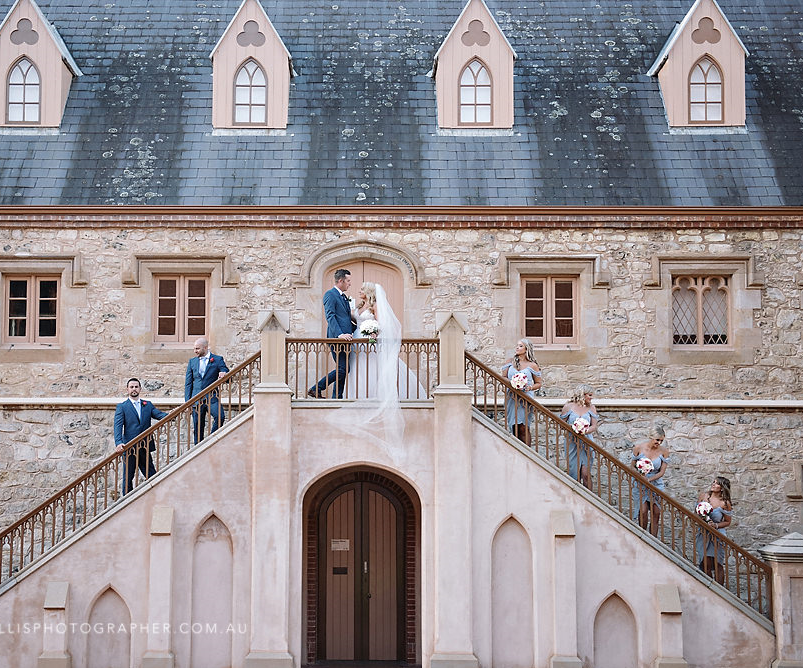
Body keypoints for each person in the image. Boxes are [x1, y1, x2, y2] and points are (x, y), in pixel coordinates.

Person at [347, 282, 425, 399]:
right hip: (357, 339)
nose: (359, 291)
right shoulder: (360, 306)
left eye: (362, 289)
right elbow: (355, 320)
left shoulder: (375, 306)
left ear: (369, 292)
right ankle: (358, 395)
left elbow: (381, 324)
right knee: (357, 366)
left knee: (371, 367)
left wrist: (374, 332)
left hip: (369, 341)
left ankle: (374, 395)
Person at [114, 377, 168, 495]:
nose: (134, 389)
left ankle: (157, 497)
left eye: (136, 387)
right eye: (131, 387)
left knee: (151, 474)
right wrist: (119, 443)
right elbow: (118, 426)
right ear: (127, 389)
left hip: (145, 446)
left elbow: (159, 415)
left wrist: (171, 415)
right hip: (130, 447)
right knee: (128, 477)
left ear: (140, 389)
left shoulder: (147, 405)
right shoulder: (122, 407)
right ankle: (127, 501)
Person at [309, 268, 357, 398]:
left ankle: (337, 397)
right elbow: (330, 316)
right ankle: (316, 388)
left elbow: (345, 319)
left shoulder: (344, 297)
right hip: (337, 338)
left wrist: (361, 328)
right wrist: (339, 334)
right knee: (343, 369)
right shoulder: (330, 294)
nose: (350, 284)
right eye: (348, 281)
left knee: (342, 368)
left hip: (346, 339)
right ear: (341, 280)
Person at [185, 337, 229, 443]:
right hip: (196, 399)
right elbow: (188, 383)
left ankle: (210, 441)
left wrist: (224, 373)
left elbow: (225, 372)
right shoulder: (192, 362)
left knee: (220, 417)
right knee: (198, 428)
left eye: (197, 348)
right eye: (194, 348)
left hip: (212, 397)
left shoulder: (217, 359)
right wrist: (188, 403)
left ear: (205, 348)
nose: (195, 351)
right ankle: (198, 449)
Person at [500, 339, 542, 445]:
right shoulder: (509, 362)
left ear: (526, 349)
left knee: (523, 427)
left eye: (520, 346)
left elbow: (538, 383)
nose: (517, 348)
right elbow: (503, 377)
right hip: (512, 397)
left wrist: (529, 387)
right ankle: (517, 451)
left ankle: (527, 452)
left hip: (525, 398)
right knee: (514, 426)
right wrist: (513, 383)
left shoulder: (532, 365)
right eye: (517, 345)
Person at [631, 425, 669, 536]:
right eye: (657, 440)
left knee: (656, 513)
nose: (659, 443)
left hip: (655, 483)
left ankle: (653, 540)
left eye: (661, 441)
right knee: (643, 511)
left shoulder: (664, 451)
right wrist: (640, 476)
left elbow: (662, 472)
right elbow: (632, 467)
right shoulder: (638, 448)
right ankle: (642, 537)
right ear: (651, 437)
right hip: (640, 483)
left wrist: (649, 479)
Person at [560, 384, 599, 489]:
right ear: (582, 394)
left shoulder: (592, 408)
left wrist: (584, 431)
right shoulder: (568, 407)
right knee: (574, 474)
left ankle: (590, 497)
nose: (591, 398)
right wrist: (574, 428)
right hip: (572, 442)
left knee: (586, 474)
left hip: (587, 442)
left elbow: (594, 426)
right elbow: (561, 424)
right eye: (589, 395)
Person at [695, 476, 733, 584]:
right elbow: (695, 513)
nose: (713, 484)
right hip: (703, 534)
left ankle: (719, 590)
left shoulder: (725, 503)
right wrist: (701, 518)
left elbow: (727, 522)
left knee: (717, 564)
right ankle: (709, 587)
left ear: (722, 488)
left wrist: (715, 525)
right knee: (705, 563)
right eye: (713, 482)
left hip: (717, 535)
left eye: (716, 483)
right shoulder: (703, 496)